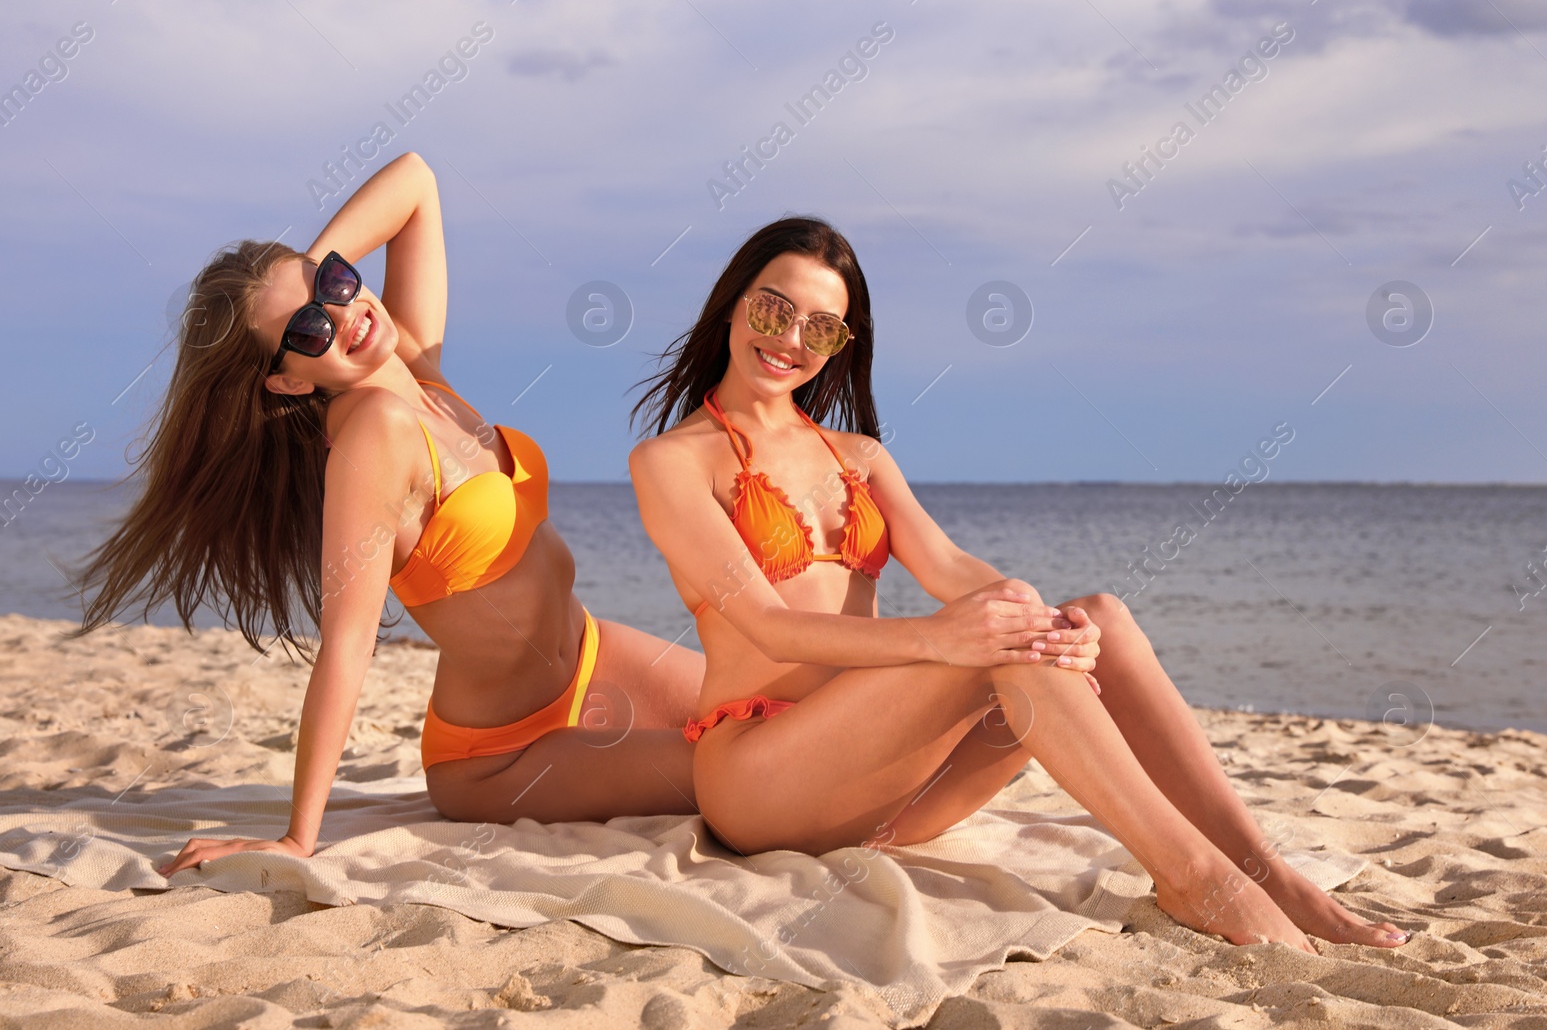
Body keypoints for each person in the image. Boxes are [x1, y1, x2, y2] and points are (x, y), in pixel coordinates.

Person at [626, 216, 1412, 953]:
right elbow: (765, 624)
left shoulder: (856, 456)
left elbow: (948, 567)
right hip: (764, 783)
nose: (790, 339)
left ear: (838, 344)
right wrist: (939, 637)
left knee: (1096, 615)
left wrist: (1030, 607)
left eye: (820, 328)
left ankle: (1266, 872)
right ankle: (1196, 880)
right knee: (1000, 649)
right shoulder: (672, 463)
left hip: (885, 791)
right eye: (773, 310)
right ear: (733, 305)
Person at [75, 153, 702, 876]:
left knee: (784, 710)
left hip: (597, 656)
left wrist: (311, 271)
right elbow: (348, 643)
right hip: (506, 752)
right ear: (285, 380)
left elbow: (417, 181)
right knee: (740, 768)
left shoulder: (415, 367)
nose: (345, 316)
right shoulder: (373, 433)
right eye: (308, 331)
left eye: (338, 284)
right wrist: (296, 838)